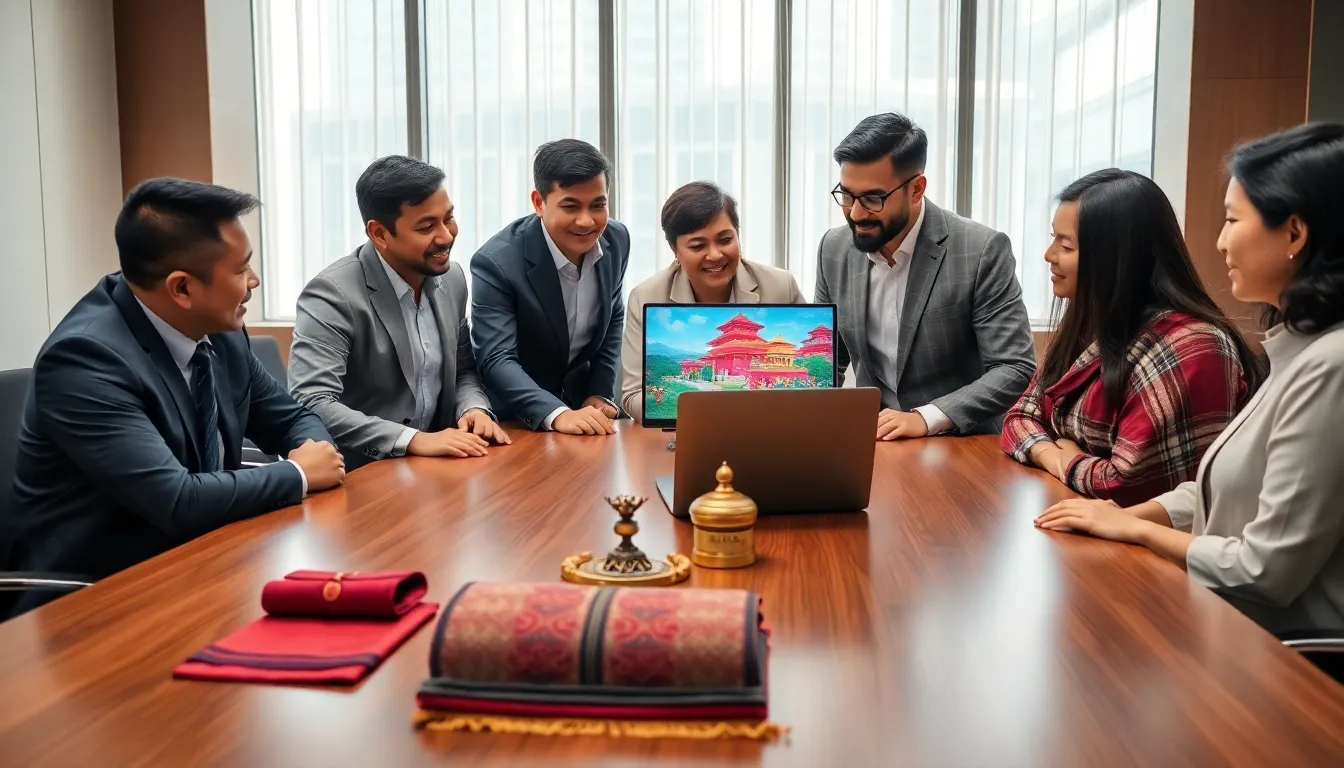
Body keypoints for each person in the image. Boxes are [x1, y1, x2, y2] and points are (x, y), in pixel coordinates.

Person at [1036, 123, 1344, 634]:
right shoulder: (1299, 351)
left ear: (1294, 233)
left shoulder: (1328, 366)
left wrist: (1138, 531)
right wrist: (1128, 517)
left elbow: (1262, 571)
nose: (1220, 242)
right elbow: (1219, 493)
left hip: (1286, 657)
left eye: (1231, 220)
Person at [2, 178, 344, 615]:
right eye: (240, 270)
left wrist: (313, 449)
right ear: (181, 288)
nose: (254, 281)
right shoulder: (85, 360)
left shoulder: (221, 331)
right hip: (98, 599)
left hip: (204, 566)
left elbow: (290, 418)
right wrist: (297, 474)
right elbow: (177, 500)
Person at [1001, 169, 1261, 506]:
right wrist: (1054, 456)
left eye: (1065, 245)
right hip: (1079, 518)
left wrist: (1068, 461)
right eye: (1054, 238)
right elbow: (1020, 417)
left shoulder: (1192, 346)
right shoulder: (1090, 321)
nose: (1049, 255)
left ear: (1117, 258)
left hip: (1151, 546)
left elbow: (1128, 485)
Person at [815, 113, 1036, 440]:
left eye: (873, 199)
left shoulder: (981, 250)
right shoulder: (833, 249)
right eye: (846, 195)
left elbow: (1014, 368)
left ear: (916, 189)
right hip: (874, 441)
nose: (856, 213)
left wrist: (928, 417)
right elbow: (827, 362)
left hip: (962, 446)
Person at [289, 156, 505, 472]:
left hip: (439, 471)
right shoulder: (332, 294)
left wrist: (473, 408)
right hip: (362, 476)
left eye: (449, 218)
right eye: (427, 226)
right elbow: (312, 402)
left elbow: (463, 370)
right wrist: (413, 439)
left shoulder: (453, 279)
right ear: (379, 234)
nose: (446, 236)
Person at [470, 139, 629, 435]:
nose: (586, 220)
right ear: (538, 202)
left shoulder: (617, 240)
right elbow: (495, 358)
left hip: (585, 414)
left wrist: (599, 393)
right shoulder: (496, 262)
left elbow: (612, 318)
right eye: (570, 206)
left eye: (598, 205)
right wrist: (555, 413)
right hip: (518, 420)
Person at [620, 181, 805, 422]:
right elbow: (633, 396)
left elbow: (810, 394)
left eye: (725, 240)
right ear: (675, 250)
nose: (715, 255)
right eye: (698, 246)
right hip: (686, 433)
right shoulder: (646, 297)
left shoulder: (780, 286)